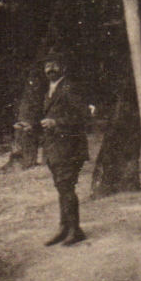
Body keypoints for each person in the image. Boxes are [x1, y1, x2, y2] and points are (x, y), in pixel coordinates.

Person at [38, 52, 88, 245]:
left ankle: (75, 230)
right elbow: (46, 119)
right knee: (61, 187)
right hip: (54, 148)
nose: (50, 69)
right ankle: (64, 227)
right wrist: (31, 125)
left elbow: (83, 116)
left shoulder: (70, 88)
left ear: (63, 67)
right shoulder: (49, 89)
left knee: (66, 187)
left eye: (54, 65)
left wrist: (56, 122)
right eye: (47, 66)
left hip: (70, 146)